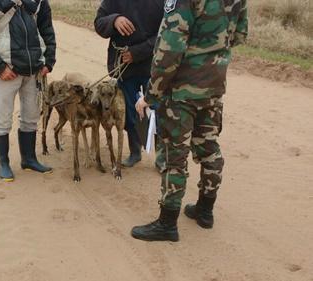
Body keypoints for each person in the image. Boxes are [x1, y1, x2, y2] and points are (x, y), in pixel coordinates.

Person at [132, 0, 248, 241]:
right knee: (209, 147)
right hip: (214, 84)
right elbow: (239, 35)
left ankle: (167, 223)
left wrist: (151, 95)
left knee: (175, 155)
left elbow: (170, 47)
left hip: (182, 91)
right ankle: (205, 211)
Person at [0, 0, 56, 182]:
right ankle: (4, 163)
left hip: (34, 70)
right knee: (3, 118)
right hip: (7, 70)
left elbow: (46, 29)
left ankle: (29, 159)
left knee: (31, 117)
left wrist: (49, 61)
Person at [94, 0, 165, 169]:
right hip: (125, 69)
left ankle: (162, 157)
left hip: (153, 67)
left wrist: (137, 52)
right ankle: (135, 152)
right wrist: (114, 20)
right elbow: (98, 23)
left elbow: (167, 34)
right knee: (129, 113)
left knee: (158, 113)